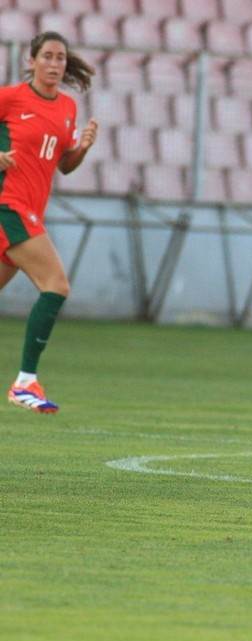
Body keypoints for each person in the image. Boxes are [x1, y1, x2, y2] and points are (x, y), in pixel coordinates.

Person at [1, 31, 98, 414]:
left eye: (61, 57)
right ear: (32, 61)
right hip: (10, 206)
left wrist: (83, 148)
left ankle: (25, 382)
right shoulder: (11, 98)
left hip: (29, 210)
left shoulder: (68, 107)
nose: (55, 64)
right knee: (56, 285)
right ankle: (25, 382)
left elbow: (65, 165)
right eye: (48, 56)